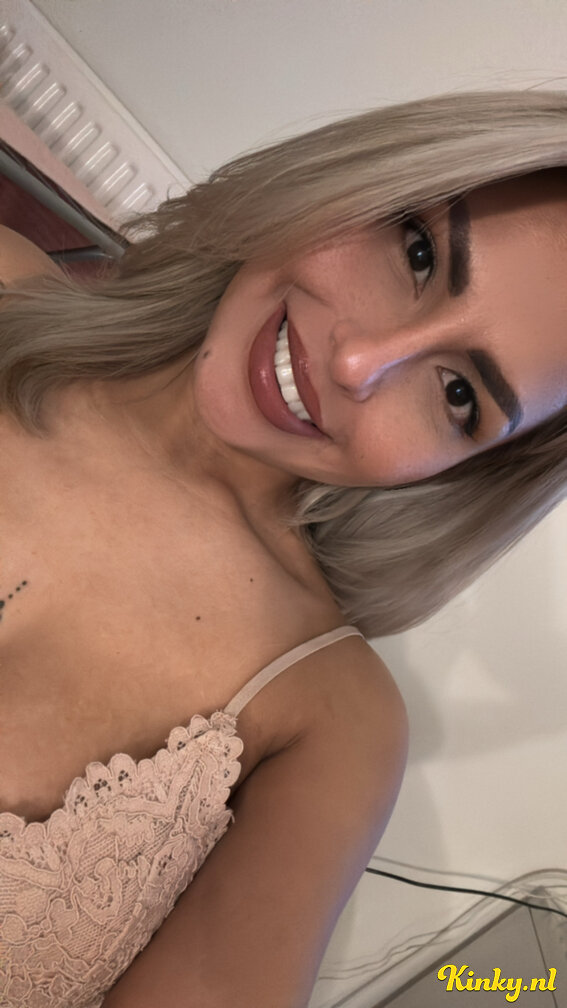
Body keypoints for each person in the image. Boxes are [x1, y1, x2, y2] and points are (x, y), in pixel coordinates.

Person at [1, 88, 567, 1008]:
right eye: (417, 253)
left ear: (470, 469)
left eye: (458, 393)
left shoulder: (328, 717)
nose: (357, 364)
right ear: (362, 175)